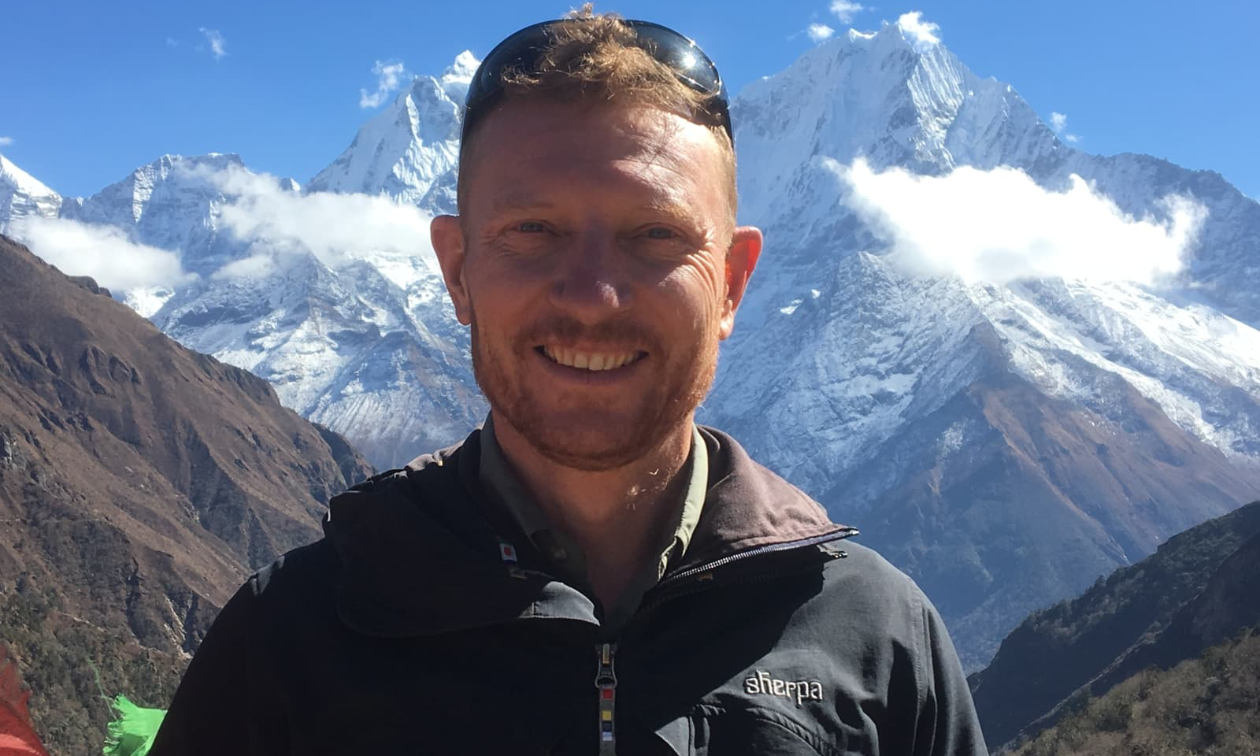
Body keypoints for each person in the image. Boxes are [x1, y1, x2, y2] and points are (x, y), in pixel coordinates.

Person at [149, 9, 988, 755]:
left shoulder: (879, 638)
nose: (593, 297)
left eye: (656, 235)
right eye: (533, 230)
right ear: (458, 271)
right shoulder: (288, 644)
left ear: (732, 284)